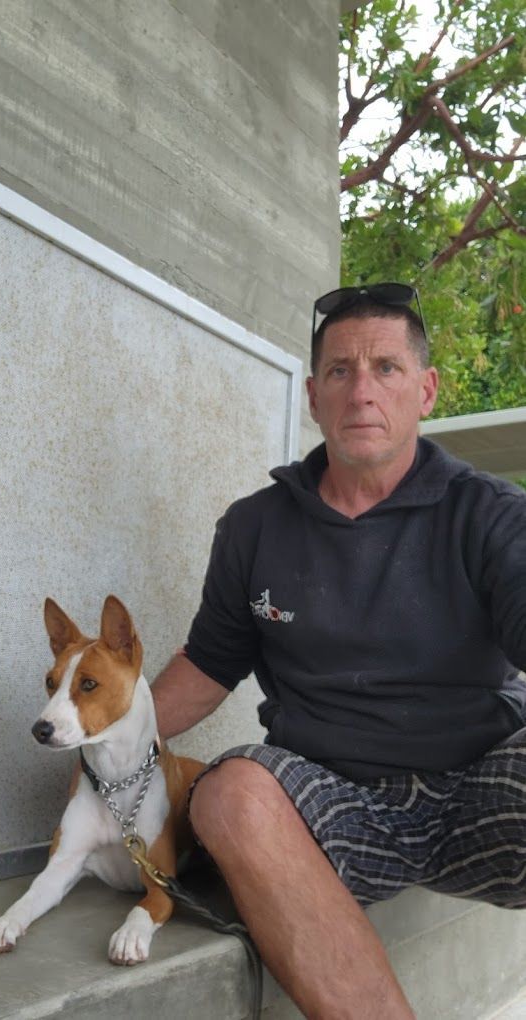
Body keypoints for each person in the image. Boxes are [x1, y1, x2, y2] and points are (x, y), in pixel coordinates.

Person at [150, 283, 526, 1020]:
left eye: (385, 368)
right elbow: (207, 664)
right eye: (339, 371)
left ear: (424, 391)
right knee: (228, 793)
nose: (361, 391)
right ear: (313, 397)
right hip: (334, 805)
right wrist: (105, 741)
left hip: (481, 787)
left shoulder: (491, 514)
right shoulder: (252, 528)